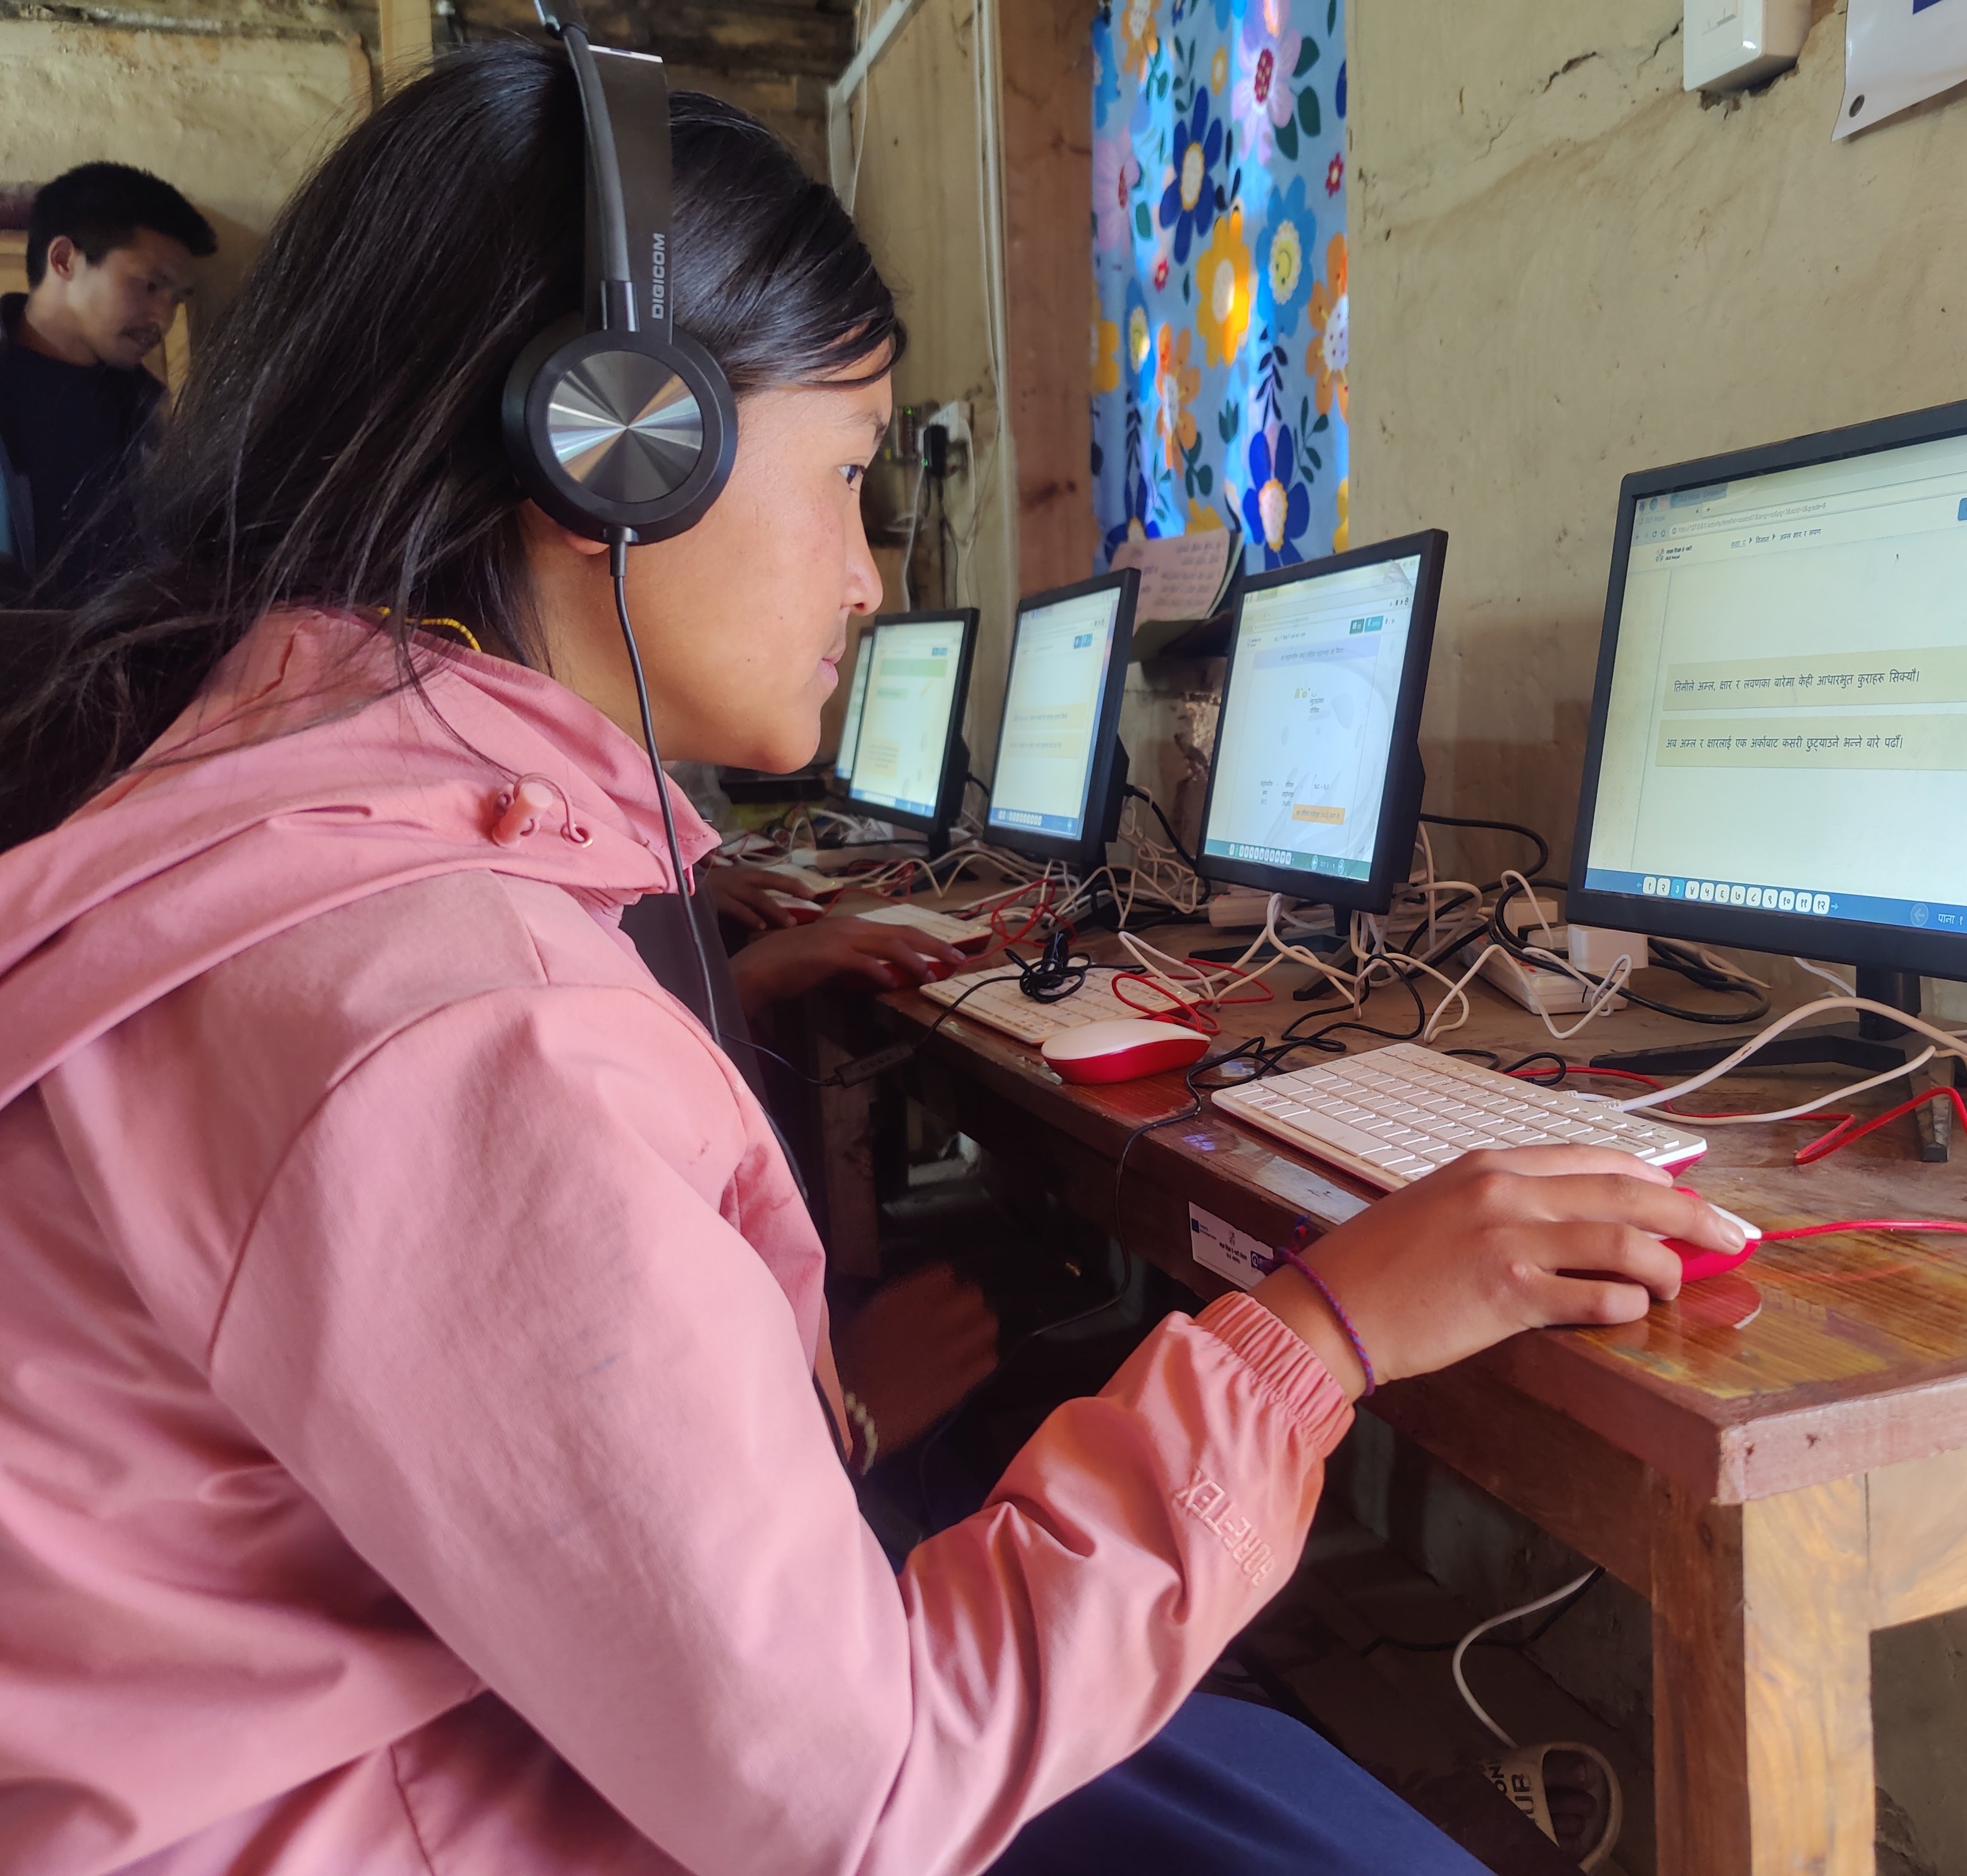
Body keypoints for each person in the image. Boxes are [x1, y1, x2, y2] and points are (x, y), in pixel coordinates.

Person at [0, 44, 1754, 1876]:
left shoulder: (275, 826)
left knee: (1233, 1753)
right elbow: (865, 1795)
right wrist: (1322, 1327)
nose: (866, 577)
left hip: (404, 1766)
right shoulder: (446, 1010)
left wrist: (801, 1397)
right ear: (613, 446)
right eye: (843, 478)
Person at [0, 161, 214, 602]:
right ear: (64, 260)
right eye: (150, 285)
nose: (164, 319)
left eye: (175, 299)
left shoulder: (148, 407)